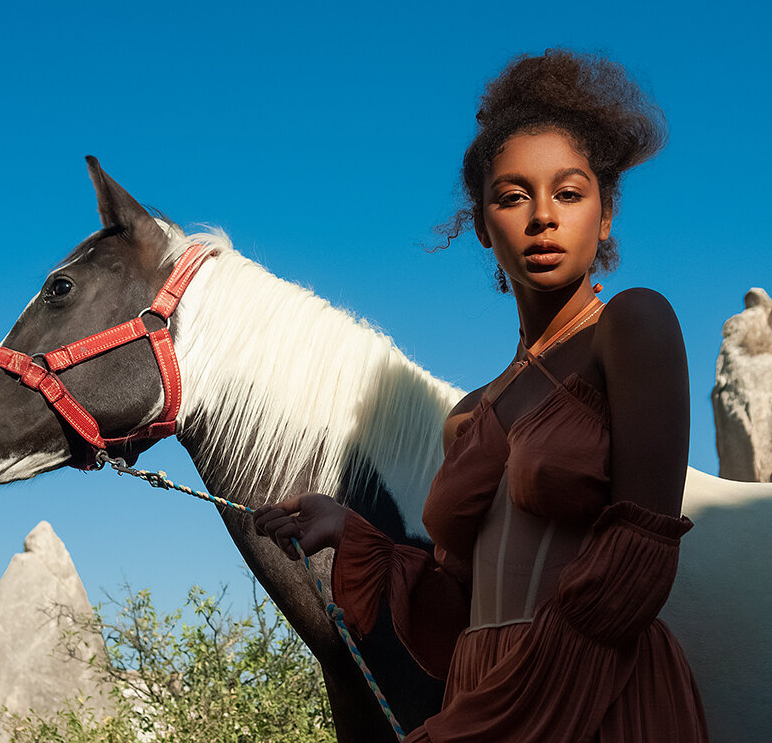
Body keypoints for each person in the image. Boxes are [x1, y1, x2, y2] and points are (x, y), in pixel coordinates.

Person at [253, 49, 708, 742]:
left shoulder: (633, 326)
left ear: (607, 212)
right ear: (483, 221)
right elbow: (455, 603)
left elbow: (637, 567)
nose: (542, 218)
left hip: (591, 696)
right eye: (513, 195)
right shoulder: (467, 416)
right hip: (482, 687)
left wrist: (486, 722)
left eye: (570, 192)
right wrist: (350, 530)